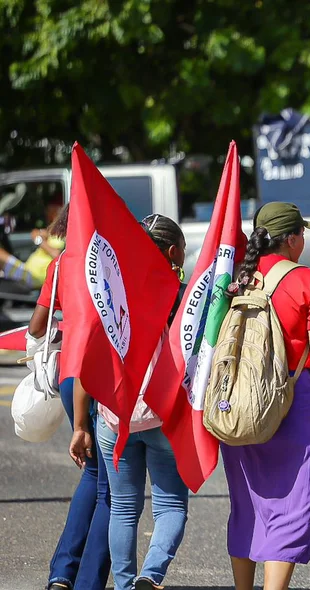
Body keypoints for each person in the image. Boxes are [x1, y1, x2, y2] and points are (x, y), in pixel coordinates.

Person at [221, 203, 310, 589]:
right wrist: (309, 390)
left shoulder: (238, 275)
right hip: (292, 393)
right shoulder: (309, 281)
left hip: (236, 397)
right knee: (288, 505)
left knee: (247, 501)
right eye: (302, 234)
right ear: (291, 239)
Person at [68, 214, 189, 590]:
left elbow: (89, 362)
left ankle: (123, 585)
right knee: (170, 506)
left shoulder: (110, 292)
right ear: (173, 252)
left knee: (122, 507)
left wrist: (79, 425)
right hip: (162, 417)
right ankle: (150, 575)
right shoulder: (182, 296)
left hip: (113, 417)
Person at [30, 207, 111, 590]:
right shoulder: (110, 260)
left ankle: (63, 573)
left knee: (94, 475)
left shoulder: (60, 264)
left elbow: (36, 325)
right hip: (103, 377)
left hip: (67, 376)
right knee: (114, 486)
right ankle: (88, 582)